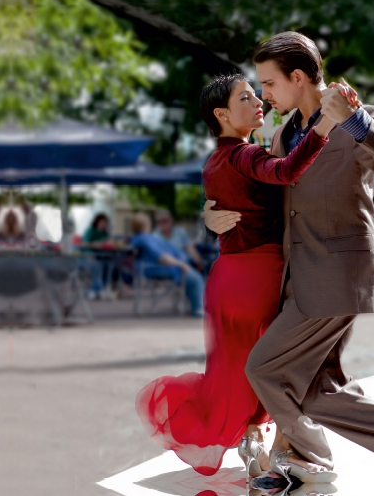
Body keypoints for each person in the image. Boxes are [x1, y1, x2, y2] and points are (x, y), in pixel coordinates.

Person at [205, 31, 374, 490]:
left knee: (264, 367)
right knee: (320, 394)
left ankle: (311, 457)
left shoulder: (361, 117)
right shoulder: (282, 135)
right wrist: (212, 217)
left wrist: (353, 121)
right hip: (299, 278)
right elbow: (270, 204)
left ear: (298, 77)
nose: (265, 95)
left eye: (270, 84)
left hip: (338, 274)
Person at [135, 73, 330, 479]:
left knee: (236, 369)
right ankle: (279, 450)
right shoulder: (245, 155)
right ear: (221, 113)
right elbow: (287, 171)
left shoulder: (215, 161)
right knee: (278, 362)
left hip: (228, 277)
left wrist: (209, 219)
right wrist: (325, 127)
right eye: (246, 96)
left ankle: (251, 440)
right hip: (257, 275)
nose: (257, 99)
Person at [128, 212, 205, 318]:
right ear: (147, 225)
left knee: (193, 276)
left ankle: (198, 306)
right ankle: (198, 308)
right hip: (158, 268)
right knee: (193, 277)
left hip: (158, 267)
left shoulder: (141, 238)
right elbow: (161, 256)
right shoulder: (146, 238)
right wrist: (182, 265)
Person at [82, 213, 113, 299]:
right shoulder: (91, 230)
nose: (103, 224)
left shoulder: (104, 233)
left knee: (109, 264)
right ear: (97, 222)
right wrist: (94, 244)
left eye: (105, 223)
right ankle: (94, 289)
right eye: (102, 222)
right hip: (89, 255)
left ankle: (103, 288)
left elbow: (108, 242)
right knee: (97, 266)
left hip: (101, 255)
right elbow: (84, 243)